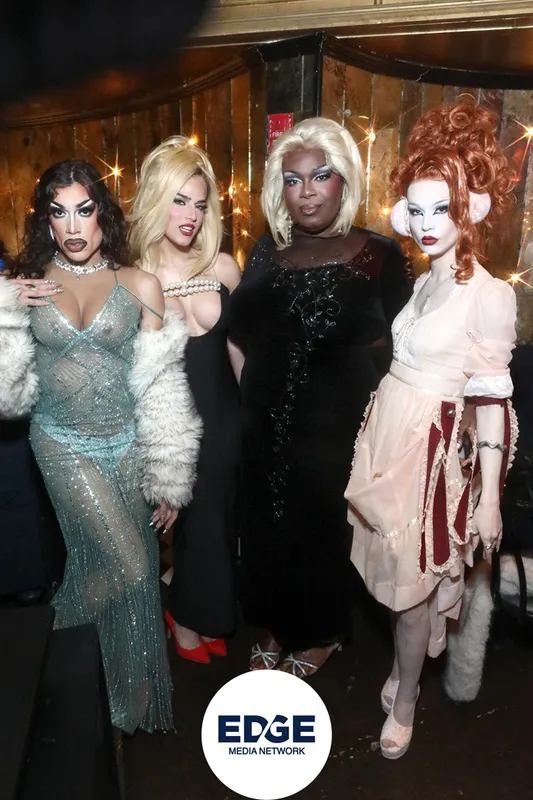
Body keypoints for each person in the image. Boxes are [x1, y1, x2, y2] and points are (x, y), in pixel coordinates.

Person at [0, 159, 202, 733]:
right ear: (45, 220)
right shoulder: (27, 284)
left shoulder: (139, 283)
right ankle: (37, 647)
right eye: (58, 212)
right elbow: (5, 393)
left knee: (119, 569)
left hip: (129, 445)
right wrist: (5, 306)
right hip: (60, 443)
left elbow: (161, 386)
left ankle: (120, 697)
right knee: (132, 568)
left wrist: (169, 475)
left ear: (101, 214)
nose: (72, 226)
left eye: (83, 210)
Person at [344, 100, 517, 759]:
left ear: (470, 207)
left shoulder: (490, 295)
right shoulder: (423, 278)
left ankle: (407, 697)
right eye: (414, 211)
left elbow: (491, 401)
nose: (423, 225)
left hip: (431, 456)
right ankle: (403, 665)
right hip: (390, 435)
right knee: (396, 582)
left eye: (439, 209)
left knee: (413, 594)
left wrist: (489, 499)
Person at [227, 117, 412, 677]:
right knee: (266, 527)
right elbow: (241, 333)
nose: (306, 191)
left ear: (344, 180)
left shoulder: (381, 255)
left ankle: (322, 633)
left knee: (324, 529)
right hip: (265, 422)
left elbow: (404, 348)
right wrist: (250, 403)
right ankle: (274, 625)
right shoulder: (265, 250)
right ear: (279, 189)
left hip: (338, 426)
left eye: (320, 175)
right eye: (293, 179)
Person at [128, 137, 242, 663]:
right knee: (184, 522)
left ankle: (203, 612)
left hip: (225, 415)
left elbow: (239, 351)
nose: (191, 215)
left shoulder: (223, 267)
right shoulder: (134, 278)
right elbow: (136, 376)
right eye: (179, 201)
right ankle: (185, 614)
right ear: (157, 199)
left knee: (217, 519)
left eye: (199, 203)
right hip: (171, 423)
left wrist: (259, 417)